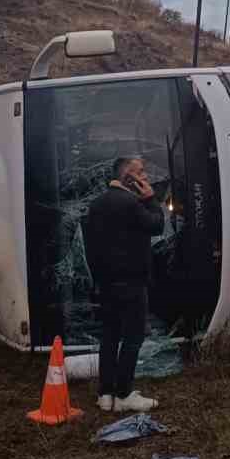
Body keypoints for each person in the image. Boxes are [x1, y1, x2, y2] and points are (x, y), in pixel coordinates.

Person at [83, 156, 166, 412]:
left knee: (109, 337)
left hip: (106, 284)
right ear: (128, 177)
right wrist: (151, 198)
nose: (146, 176)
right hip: (132, 283)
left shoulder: (96, 204)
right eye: (141, 172)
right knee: (132, 338)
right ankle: (124, 394)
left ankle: (105, 395)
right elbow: (157, 226)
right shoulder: (131, 203)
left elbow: (91, 249)